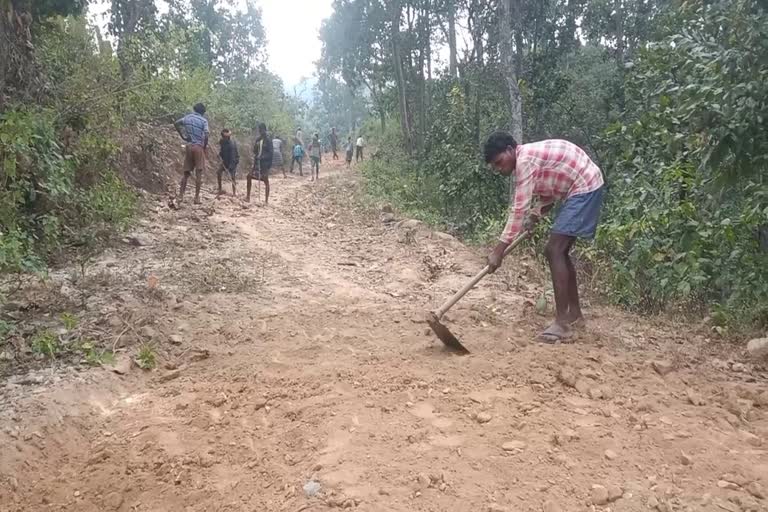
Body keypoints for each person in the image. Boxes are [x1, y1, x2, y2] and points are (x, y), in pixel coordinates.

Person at [483, 131, 605, 344]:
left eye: (500, 162)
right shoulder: (529, 159)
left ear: (511, 150)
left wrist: (498, 250)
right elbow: (551, 188)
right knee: (561, 252)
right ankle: (574, 315)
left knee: (553, 250)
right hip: (581, 185)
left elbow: (518, 208)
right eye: (495, 167)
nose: (499, 168)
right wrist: (536, 213)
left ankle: (562, 324)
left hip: (585, 185)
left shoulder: (525, 161)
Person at [174, 103, 209, 204]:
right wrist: (204, 146)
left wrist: (183, 136)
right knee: (199, 173)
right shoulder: (203, 121)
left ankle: (180, 196)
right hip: (198, 147)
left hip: (189, 146)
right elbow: (206, 134)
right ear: (203, 112)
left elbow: (176, 123)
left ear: (194, 109)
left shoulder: (187, 118)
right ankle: (196, 198)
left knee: (186, 173)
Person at [247, 122, 273, 205]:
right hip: (257, 163)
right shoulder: (258, 140)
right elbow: (255, 151)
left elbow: (271, 153)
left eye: (262, 130)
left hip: (264, 164)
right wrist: (255, 147)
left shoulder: (268, 140)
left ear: (265, 130)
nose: (261, 132)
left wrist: (265, 160)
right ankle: (248, 197)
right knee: (249, 176)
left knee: (266, 181)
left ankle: (266, 201)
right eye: (260, 130)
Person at [217, 128, 239, 196]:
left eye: (225, 137)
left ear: (228, 137)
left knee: (232, 176)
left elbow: (233, 157)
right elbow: (222, 151)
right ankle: (220, 189)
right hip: (225, 161)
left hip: (233, 161)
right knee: (218, 172)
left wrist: (229, 168)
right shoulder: (222, 142)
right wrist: (219, 154)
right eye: (223, 137)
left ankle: (234, 193)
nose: (223, 138)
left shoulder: (231, 145)